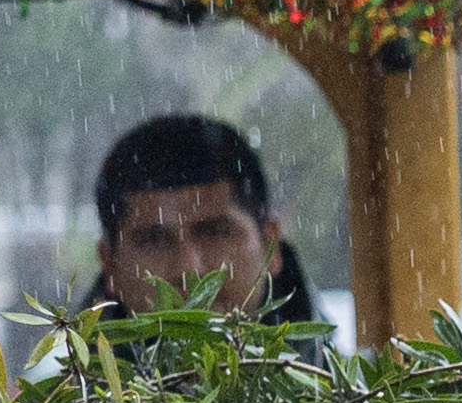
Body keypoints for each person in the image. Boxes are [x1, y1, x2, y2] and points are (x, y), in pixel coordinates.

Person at [87, 111, 319, 326]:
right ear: (111, 265)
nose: (189, 269)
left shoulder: (340, 370)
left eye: (214, 233)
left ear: (270, 246)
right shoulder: (57, 370)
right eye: (154, 241)